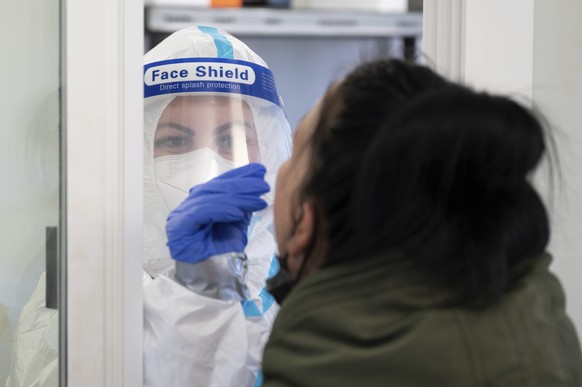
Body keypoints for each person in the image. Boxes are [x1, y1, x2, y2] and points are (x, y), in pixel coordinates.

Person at [260, 59, 582, 386]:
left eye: (294, 151)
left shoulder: (311, 368)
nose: (280, 169)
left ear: (305, 224)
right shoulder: (539, 334)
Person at [142, 25, 292, 387]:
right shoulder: (89, 287)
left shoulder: (296, 289)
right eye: (175, 140)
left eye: (232, 138)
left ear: (269, 151)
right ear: (138, 153)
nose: (205, 166)